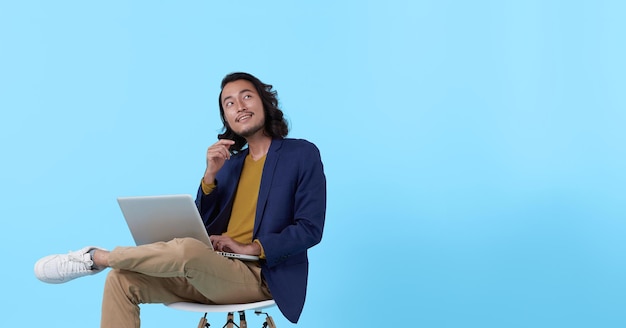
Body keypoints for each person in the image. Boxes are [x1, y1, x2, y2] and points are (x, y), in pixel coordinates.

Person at [34, 72, 327, 327]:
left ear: (264, 102)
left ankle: (95, 258)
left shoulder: (300, 154)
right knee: (121, 280)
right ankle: (107, 263)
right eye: (229, 103)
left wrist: (251, 246)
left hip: (259, 276)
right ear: (226, 117)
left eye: (246, 96)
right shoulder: (231, 164)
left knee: (186, 250)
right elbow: (200, 225)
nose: (239, 106)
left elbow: (309, 228)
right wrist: (210, 176)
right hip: (211, 268)